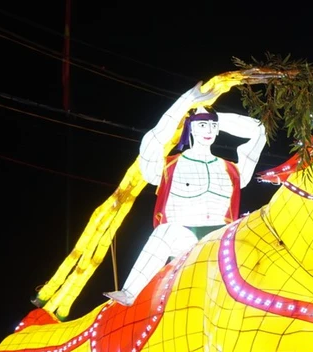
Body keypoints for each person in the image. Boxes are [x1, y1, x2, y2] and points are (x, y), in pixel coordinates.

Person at [104, 82, 266, 306]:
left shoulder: (232, 169)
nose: (208, 131)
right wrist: (186, 104)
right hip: (184, 238)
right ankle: (130, 292)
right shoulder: (170, 166)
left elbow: (259, 130)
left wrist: (212, 115)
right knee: (165, 232)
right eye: (201, 125)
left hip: (221, 239)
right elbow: (152, 141)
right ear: (189, 128)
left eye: (212, 126)